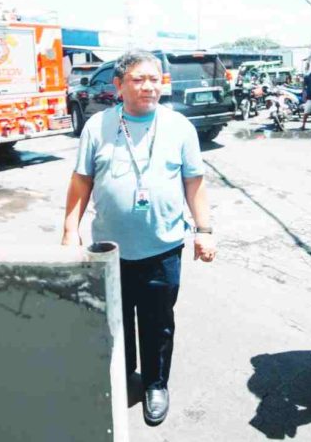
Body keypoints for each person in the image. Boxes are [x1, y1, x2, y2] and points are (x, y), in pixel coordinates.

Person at [61, 49, 217, 426]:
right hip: (109, 250)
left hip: (162, 247)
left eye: (154, 79)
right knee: (114, 320)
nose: (148, 86)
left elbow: (193, 182)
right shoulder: (98, 126)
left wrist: (204, 230)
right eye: (138, 79)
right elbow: (81, 180)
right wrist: (70, 230)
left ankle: (154, 383)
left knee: (158, 321)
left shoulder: (180, 127)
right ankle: (123, 375)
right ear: (118, 85)